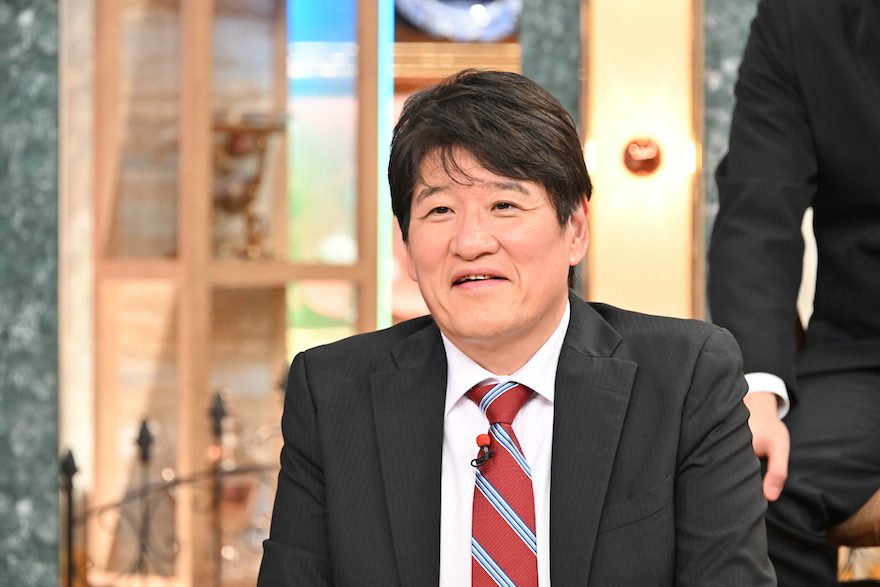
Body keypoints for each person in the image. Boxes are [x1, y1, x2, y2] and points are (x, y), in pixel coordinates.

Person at [259, 69, 775, 585]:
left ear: (575, 230)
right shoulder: (332, 392)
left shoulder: (684, 378)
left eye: (504, 205)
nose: (471, 242)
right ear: (408, 248)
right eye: (440, 210)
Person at [708, 0, 880, 584]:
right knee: (753, 482)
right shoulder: (799, 19)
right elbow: (757, 215)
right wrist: (757, 391)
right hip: (865, 356)